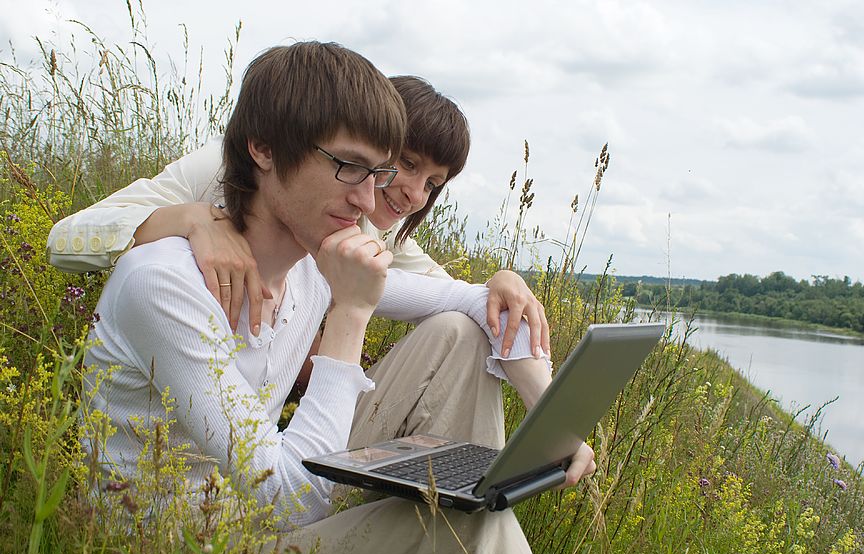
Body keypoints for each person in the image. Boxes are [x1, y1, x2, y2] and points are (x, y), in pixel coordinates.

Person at [56, 41, 596, 554]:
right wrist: (350, 313)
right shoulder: (167, 284)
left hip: (259, 492)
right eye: (349, 167)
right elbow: (296, 501)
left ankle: (462, 496)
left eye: (380, 174)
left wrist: (557, 426)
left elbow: (477, 304)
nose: (371, 203)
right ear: (263, 149)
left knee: (457, 348)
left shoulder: (315, 257)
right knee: (466, 536)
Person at [47, 77, 550, 365]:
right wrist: (196, 220)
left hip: (265, 417)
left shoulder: (374, 232)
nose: (415, 194)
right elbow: (64, 240)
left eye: (434, 183)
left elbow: (440, 290)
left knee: (458, 330)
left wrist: (498, 282)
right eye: (408, 164)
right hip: (180, 394)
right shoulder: (239, 169)